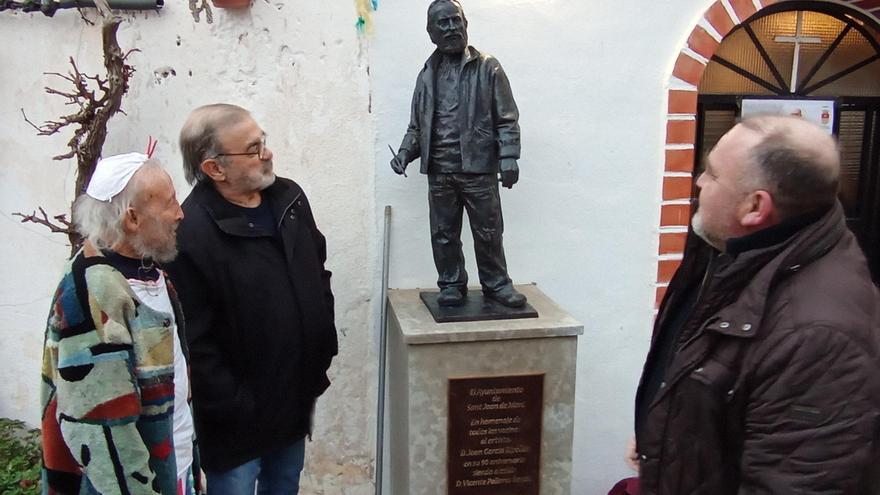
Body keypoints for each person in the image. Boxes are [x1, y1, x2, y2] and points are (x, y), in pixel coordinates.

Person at [631, 115, 880, 494]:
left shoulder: (818, 337)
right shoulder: (729, 250)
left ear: (754, 207)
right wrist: (662, 435)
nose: (698, 183)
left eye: (712, 175)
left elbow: (796, 482)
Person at [170, 104, 338, 495]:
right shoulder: (191, 231)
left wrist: (320, 346)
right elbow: (194, 337)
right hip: (236, 420)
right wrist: (236, 403)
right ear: (215, 168)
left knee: (284, 485)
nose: (267, 153)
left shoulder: (289, 199)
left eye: (263, 141)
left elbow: (319, 270)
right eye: (253, 147)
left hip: (294, 395)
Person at [40, 153, 197, 494]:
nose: (180, 213)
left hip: (175, 468)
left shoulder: (150, 272)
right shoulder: (94, 292)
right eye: (170, 203)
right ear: (132, 218)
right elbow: (102, 429)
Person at [390, 0, 526, 308]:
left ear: (465, 24)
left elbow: (507, 116)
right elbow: (417, 126)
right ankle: (451, 283)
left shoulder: (488, 66)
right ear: (431, 33)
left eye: (456, 21)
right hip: (440, 170)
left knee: (489, 231)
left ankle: (496, 284)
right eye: (444, 23)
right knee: (443, 233)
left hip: (478, 167)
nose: (452, 28)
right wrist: (404, 153)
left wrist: (509, 155)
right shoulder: (426, 75)